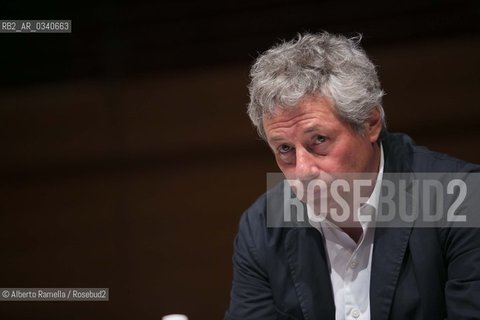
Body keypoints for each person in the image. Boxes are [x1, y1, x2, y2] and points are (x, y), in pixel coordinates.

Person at [225, 32, 480, 320]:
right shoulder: (261, 226)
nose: (303, 170)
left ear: (370, 123)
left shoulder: (461, 198)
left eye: (319, 139)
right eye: (284, 148)